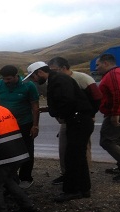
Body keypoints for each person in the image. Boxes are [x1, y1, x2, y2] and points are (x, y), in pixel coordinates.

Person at [24, 61, 95, 202]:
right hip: (79, 120)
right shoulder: (57, 79)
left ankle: (72, 190)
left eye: (33, 77)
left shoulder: (58, 80)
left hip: (78, 121)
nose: (34, 81)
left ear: (39, 72)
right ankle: (84, 189)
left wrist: (53, 111)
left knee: (72, 158)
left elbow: (66, 101)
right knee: (78, 157)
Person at [47, 57, 103, 185]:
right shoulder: (57, 80)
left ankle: (82, 176)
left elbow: (97, 97)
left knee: (80, 149)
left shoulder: (82, 78)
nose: (52, 73)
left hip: (81, 118)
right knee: (65, 148)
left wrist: (90, 113)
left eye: (54, 70)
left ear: (63, 68)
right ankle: (67, 174)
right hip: (67, 120)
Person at [0, 65, 40, 189]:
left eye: (9, 79)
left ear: (16, 75)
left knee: (27, 151)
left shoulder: (28, 85)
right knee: (8, 151)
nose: (6, 81)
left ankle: (26, 178)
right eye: (4, 79)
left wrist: (35, 126)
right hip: (5, 125)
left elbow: (35, 107)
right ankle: (12, 178)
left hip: (25, 123)